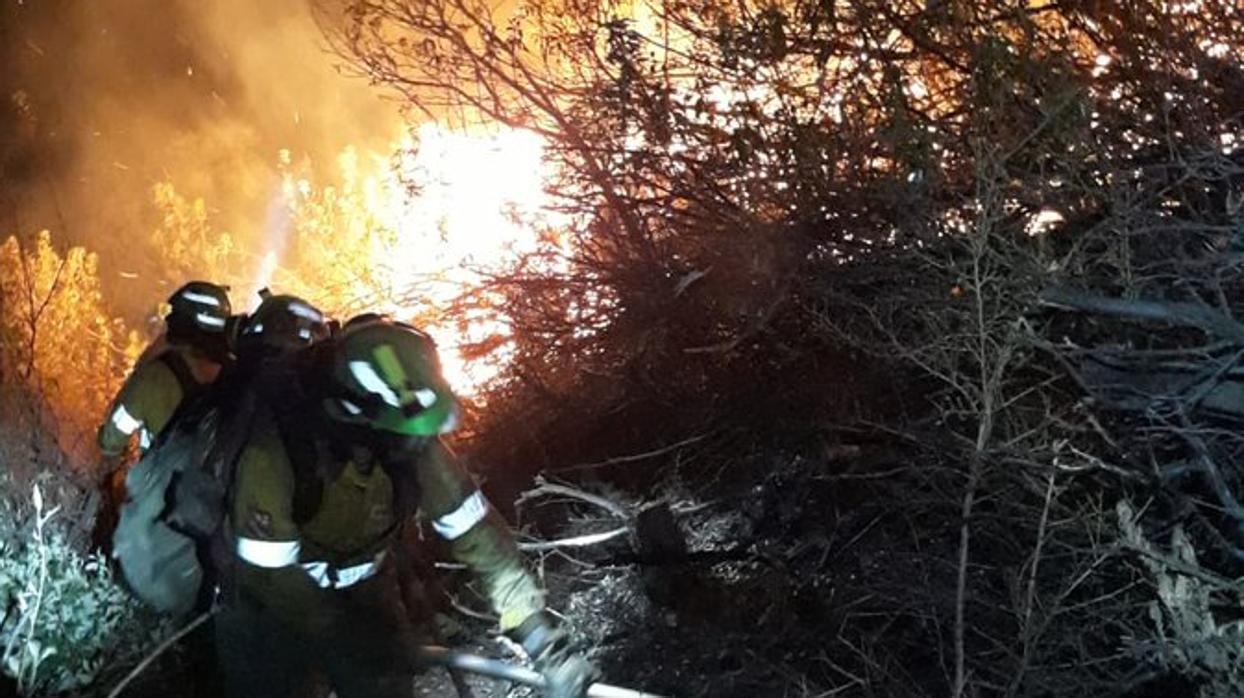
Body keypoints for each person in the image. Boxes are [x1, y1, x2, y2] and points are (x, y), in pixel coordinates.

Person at [215, 316, 597, 698]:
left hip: (367, 593)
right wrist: (346, 639)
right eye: (406, 438)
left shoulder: (405, 435)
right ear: (359, 415)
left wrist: (544, 642)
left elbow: (480, 538)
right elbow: (270, 579)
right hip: (267, 612)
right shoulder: (272, 453)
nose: (421, 447)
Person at [97, 281, 235, 458]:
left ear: (180, 323)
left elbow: (110, 443)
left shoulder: (155, 378)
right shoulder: (237, 377)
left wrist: (147, 360)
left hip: (164, 482)